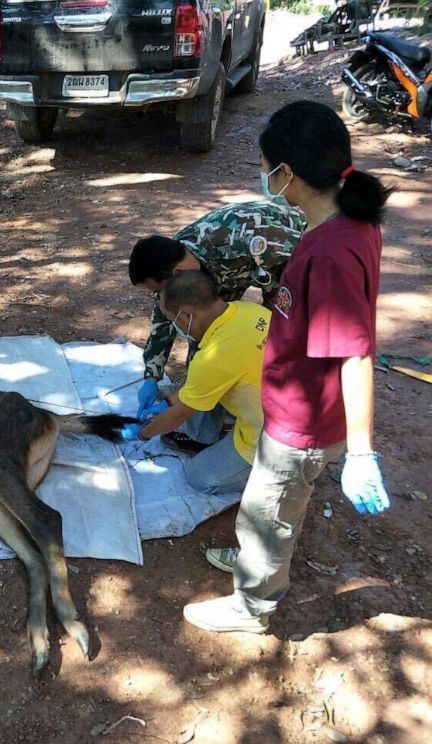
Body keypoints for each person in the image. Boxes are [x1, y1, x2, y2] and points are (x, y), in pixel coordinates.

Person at [183, 100, 391, 634]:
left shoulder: (332, 251)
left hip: (303, 423)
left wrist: (362, 452)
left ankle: (252, 605)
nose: (263, 174)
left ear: (288, 173)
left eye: (265, 165)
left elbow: (356, 352)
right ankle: (259, 560)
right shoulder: (343, 222)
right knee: (274, 506)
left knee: (268, 507)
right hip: (296, 407)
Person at [128, 201, 305, 451]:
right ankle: (205, 427)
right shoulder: (173, 260)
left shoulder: (240, 243)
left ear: (177, 275)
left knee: (276, 340)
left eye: (158, 289)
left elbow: (295, 274)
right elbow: (166, 319)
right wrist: (151, 375)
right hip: (247, 268)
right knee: (209, 351)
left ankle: (281, 419)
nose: (159, 295)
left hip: (286, 254)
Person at [119, 271, 269, 495]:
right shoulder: (250, 310)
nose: (177, 328)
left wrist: (144, 433)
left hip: (277, 435)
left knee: (200, 477)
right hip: (287, 401)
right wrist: (168, 400)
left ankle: (278, 474)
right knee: (197, 388)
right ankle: (208, 437)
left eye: (173, 320)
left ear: (187, 315)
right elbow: (202, 385)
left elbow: (180, 413)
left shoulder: (213, 358)